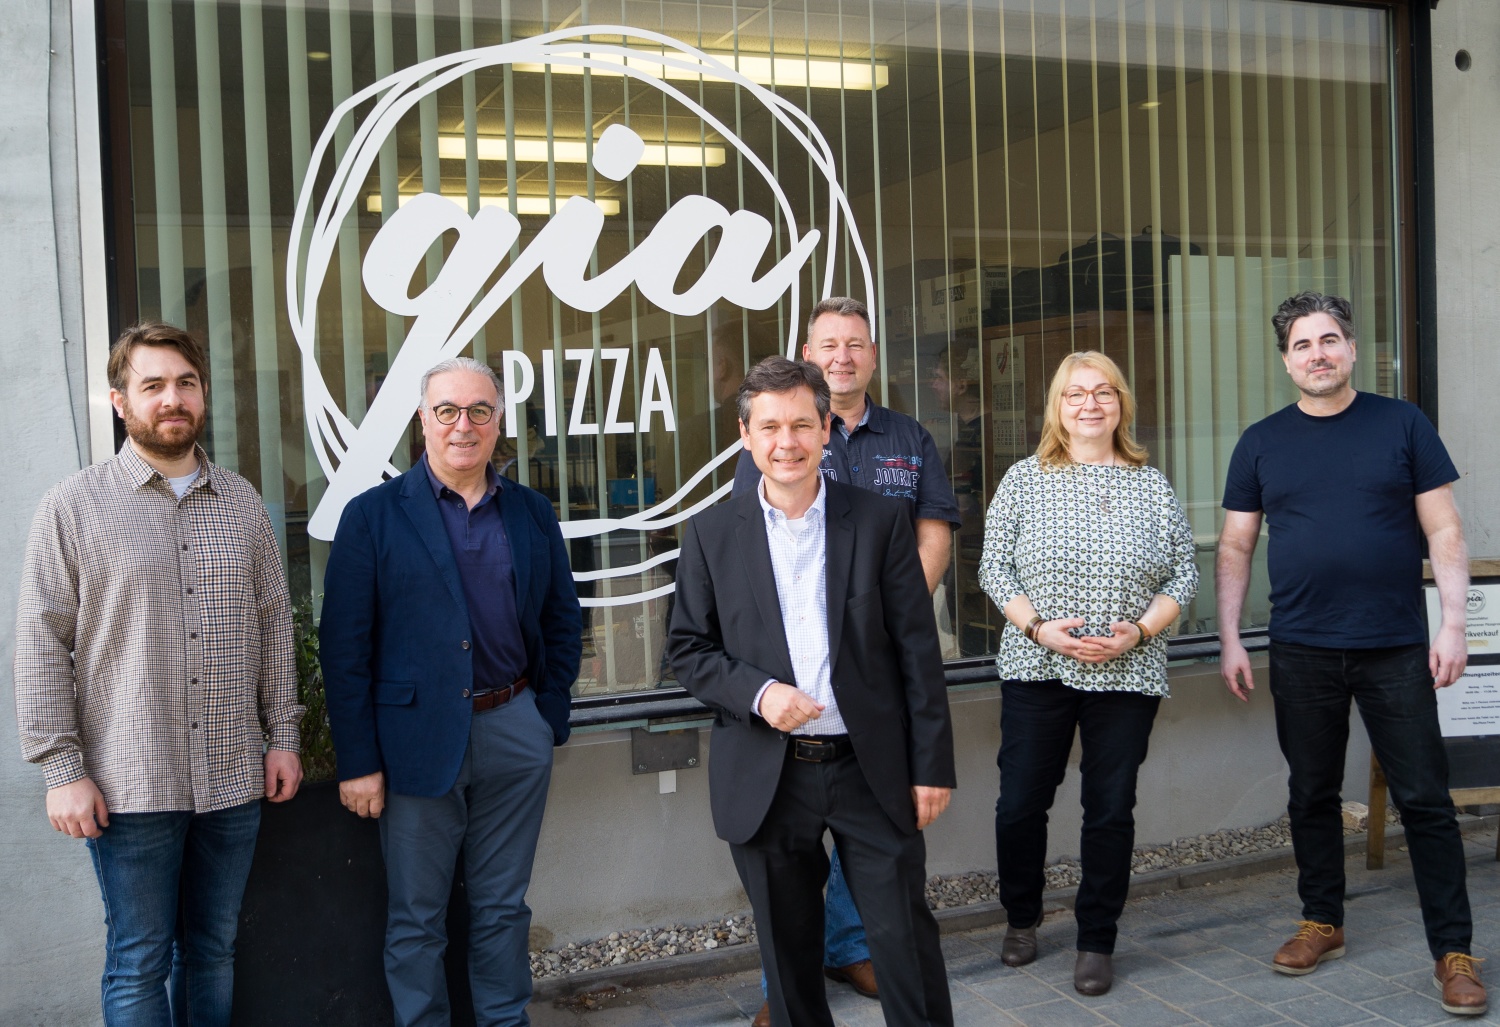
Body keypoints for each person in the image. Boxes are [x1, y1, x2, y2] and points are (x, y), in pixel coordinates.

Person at [14, 321, 304, 1025]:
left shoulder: (242, 503)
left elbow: (274, 625)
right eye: (152, 386)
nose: (171, 398)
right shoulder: (73, 506)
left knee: (213, 950)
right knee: (139, 958)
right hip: (129, 782)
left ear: (203, 394)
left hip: (233, 773)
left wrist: (285, 736)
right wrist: (61, 770)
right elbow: (41, 642)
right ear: (121, 401)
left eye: (185, 383)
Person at [1216, 291, 1486, 1016]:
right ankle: (1322, 920)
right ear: (1286, 361)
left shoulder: (1402, 423)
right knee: (1311, 792)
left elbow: (1445, 530)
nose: (1318, 354)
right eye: (1303, 345)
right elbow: (1236, 544)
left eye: (1329, 339)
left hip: (1395, 646)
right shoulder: (1261, 441)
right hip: (1301, 647)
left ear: (1352, 349)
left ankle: (1453, 950)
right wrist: (1232, 637)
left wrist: (1453, 624)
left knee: (1425, 798)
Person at [670, 356, 956, 1027]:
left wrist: (932, 764)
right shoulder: (711, 534)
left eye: (802, 424)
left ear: (827, 429)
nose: (787, 442)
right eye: (770, 427)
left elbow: (917, 650)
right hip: (768, 774)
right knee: (788, 958)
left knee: (904, 943)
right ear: (745, 436)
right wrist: (760, 692)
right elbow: (687, 649)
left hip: (869, 767)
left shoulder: (879, 520)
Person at [319, 356, 582, 1026]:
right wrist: (357, 760)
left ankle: (504, 1020)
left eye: (479, 411)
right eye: (447, 411)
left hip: (513, 728)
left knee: (503, 906)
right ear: (423, 420)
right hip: (414, 743)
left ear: (498, 422)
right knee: (417, 915)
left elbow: (561, 617)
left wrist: (546, 716)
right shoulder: (372, 516)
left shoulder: (530, 511)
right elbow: (344, 650)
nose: (463, 425)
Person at [977, 350, 1198, 997]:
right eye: (1075, 394)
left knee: (1109, 808)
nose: (1090, 404)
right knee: (1020, 803)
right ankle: (1022, 917)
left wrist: (1140, 630)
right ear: (1057, 407)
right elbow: (994, 567)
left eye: (1103, 392)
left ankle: (1096, 938)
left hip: (1127, 673)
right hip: (1037, 664)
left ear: (1121, 403)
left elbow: (1183, 573)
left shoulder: (1150, 485)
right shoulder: (1025, 478)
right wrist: (1038, 629)